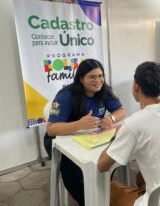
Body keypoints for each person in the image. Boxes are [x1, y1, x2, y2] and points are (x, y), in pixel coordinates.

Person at [98, 62, 160, 206]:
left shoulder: (133, 124)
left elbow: (102, 166)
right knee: (140, 178)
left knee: (111, 188)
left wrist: (117, 136)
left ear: (136, 86)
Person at [44, 59, 125, 206]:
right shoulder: (66, 95)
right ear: (81, 78)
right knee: (72, 170)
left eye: (100, 76)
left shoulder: (105, 90)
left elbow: (121, 110)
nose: (98, 80)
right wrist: (78, 125)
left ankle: (100, 192)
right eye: (92, 77)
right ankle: (87, 200)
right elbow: (50, 129)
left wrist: (111, 118)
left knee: (108, 158)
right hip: (61, 139)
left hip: (91, 137)